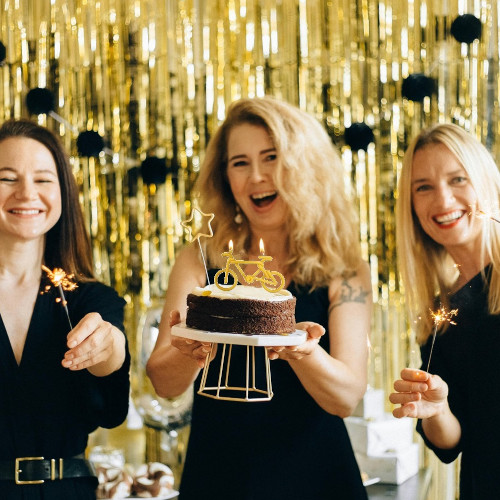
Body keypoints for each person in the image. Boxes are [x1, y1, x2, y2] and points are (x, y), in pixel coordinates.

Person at [147, 97, 372, 499]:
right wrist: (189, 349)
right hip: (219, 474)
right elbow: (163, 383)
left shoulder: (343, 267)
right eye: (240, 163)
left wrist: (301, 349)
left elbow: (346, 398)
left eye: (271, 157)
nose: (256, 177)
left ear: (303, 165)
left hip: (317, 475)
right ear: (224, 177)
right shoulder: (202, 260)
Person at [0, 119, 130, 499]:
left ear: (63, 194)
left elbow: (110, 407)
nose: (27, 194)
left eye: (43, 180)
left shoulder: (90, 299)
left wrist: (108, 348)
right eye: (7, 178)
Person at [388, 123, 500, 499]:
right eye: (424, 187)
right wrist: (436, 409)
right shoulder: (442, 314)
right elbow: (452, 444)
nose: (444, 200)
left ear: (483, 181)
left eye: (457, 179)